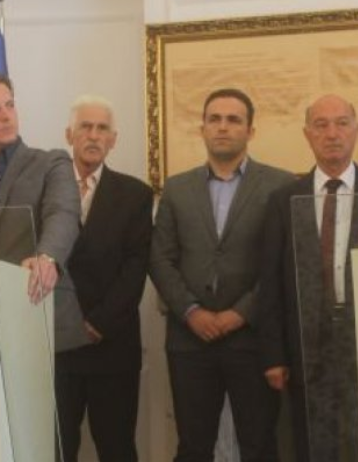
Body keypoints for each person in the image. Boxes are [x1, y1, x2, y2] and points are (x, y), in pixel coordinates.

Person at [149, 88, 294, 462]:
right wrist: (192, 312)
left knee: (260, 446)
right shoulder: (176, 188)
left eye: (233, 120)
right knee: (193, 447)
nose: (223, 127)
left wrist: (241, 313)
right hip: (190, 339)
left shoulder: (280, 186)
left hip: (252, 339)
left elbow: (282, 263)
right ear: (202, 129)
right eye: (214, 119)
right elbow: (160, 259)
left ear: (250, 130)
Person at [259, 94, 358, 462]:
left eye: (342, 123)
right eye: (321, 125)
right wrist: (274, 355)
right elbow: (271, 282)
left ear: (357, 131)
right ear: (307, 134)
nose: (332, 134)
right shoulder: (283, 199)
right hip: (305, 343)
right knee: (312, 442)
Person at [54, 95, 153, 462]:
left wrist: (97, 324)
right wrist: (65, 325)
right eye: (85, 127)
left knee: (116, 448)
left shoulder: (135, 195)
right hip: (58, 347)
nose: (93, 135)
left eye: (102, 129)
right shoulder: (46, 190)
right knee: (57, 448)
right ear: (69, 135)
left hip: (111, 346)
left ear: (113, 139)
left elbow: (135, 269)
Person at [0, 75, 84, 350]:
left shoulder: (51, 162)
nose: (5, 116)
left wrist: (48, 257)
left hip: (37, 312)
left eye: (10, 105)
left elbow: (63, 212)